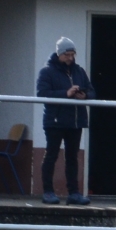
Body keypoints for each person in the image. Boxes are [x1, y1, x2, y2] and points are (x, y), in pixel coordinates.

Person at [35, 37, 92, 205]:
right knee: (51, 155)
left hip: (75, 121)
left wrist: (85, 96)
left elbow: (92, 91)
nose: (70, 58)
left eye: (73, 54)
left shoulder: (79, 71)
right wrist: (65, 94)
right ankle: (48, 192)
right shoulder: (46, 72)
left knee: (72, 157)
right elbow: (42, 94)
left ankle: (74, 193)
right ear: (59, 54)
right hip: (55, 121)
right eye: (67, 54)